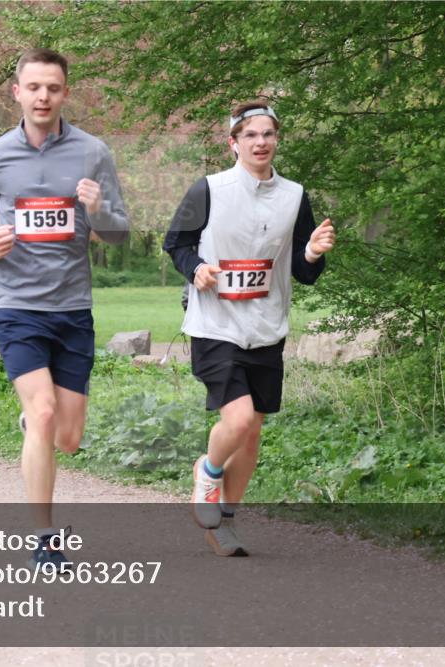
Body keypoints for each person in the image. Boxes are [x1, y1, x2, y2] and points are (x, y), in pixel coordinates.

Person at [0, 48, 129, 569]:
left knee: (69, 437)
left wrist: (98, 210)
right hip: (16, 305)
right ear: (16, 92)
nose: (43, 97)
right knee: (42, 414)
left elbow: (120, 236)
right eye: (33, 87)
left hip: (73, 307)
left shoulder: (92, 152)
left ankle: (35, 425)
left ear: (65, 93)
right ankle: (45, 537)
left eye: (53, 88)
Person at [163, 102, 336, 556]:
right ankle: (209, 471)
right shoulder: (209, 189)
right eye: (250, 135)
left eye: (268, 134)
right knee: (237, 420)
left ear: (277, 139)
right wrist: (196, 267)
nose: (261, 142)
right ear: (233, 142)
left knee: (253, 430)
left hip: (266, 326)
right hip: (215, 323)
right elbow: (175, 242)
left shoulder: (295, 195)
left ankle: (226, 523)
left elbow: (303, 270)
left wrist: (314, 252)